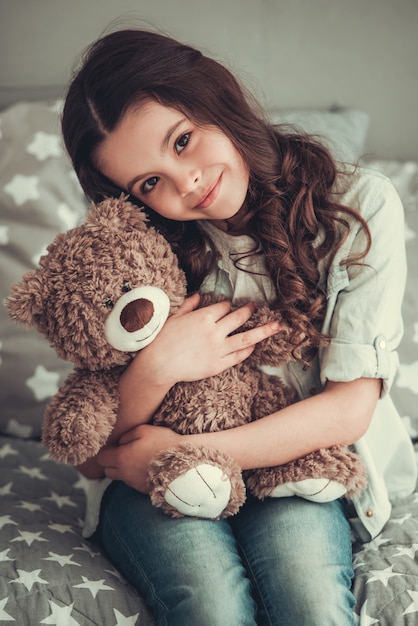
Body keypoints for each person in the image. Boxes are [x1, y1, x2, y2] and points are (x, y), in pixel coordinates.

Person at [61, 28, 416, 626]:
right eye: (149, 183)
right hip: (151, 480)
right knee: (213, 607)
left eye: (182, 141)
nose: (186, 184)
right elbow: (92, 456)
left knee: (309, 603)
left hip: (293, 468)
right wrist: (158, 366)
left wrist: (189, 453)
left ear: (213, 97)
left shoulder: (358, 208)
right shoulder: (134, 250)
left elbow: (347, 409)